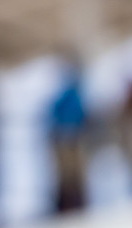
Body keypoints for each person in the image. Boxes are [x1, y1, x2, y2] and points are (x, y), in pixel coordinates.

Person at [46, 66, 88, 214]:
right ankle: (70, 203)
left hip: (71, 138)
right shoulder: (71, 96)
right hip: (67, 138)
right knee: (68, 172)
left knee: (71, 172)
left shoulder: (71, 96)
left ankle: (72, 203)